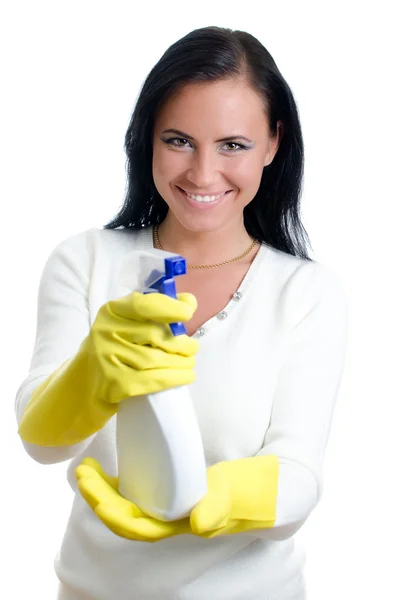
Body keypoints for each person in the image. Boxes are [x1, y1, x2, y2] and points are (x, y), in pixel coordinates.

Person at [15, 25, 348, 600]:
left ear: (273, 144)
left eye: (233, 146)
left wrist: (201, 501)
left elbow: (297, 479)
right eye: (178, 140)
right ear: (147, 139)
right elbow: (42, 444)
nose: (201, 174)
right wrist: (92, 374)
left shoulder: (306, 292)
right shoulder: (86, 261)